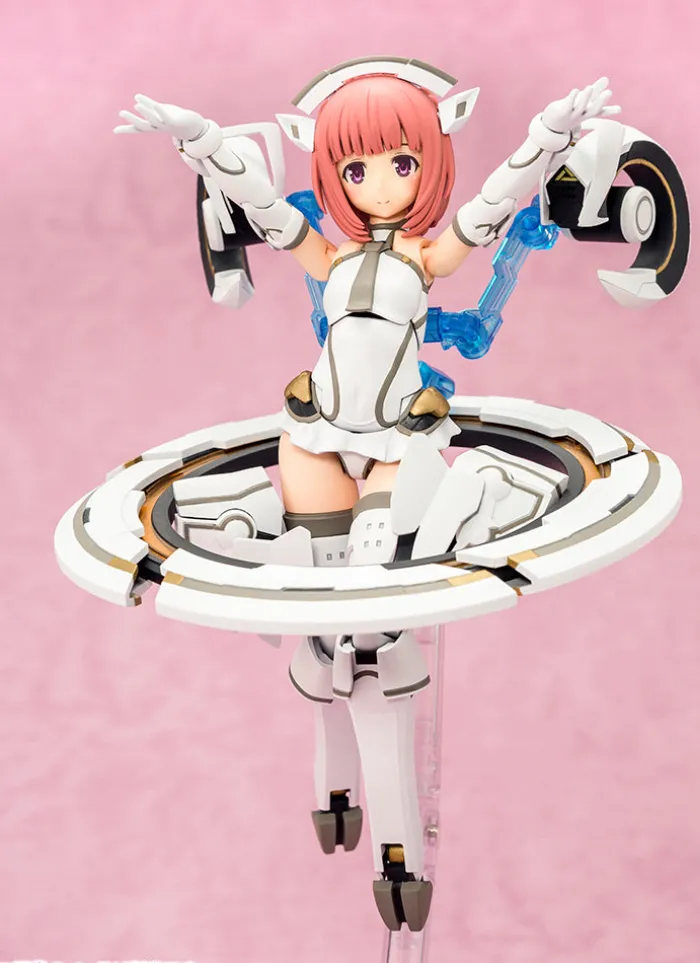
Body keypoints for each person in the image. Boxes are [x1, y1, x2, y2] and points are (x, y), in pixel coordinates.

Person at [116, 59, 619, 931]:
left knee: (377, 625)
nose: (378, 184)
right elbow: (266, 208)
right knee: (320, 618)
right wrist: (199, 140)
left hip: (397, 439)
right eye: (354, 167)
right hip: (313, 431)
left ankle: (396, 849)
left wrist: (546, 136)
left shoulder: (426, 257)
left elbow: (492, 203)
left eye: (400, 163)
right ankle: (335, 785)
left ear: (428, 161)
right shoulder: (329, 254)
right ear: (333, 172)